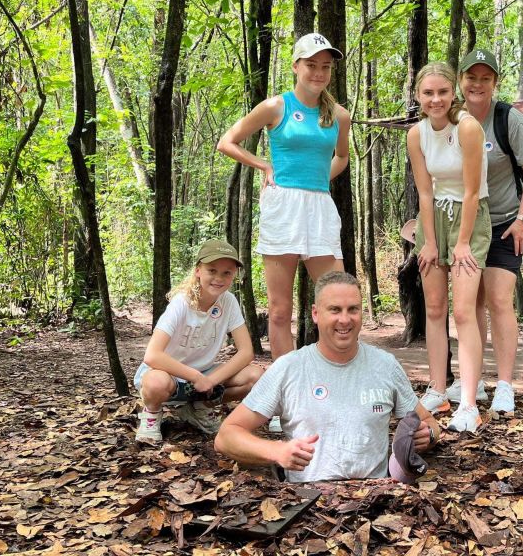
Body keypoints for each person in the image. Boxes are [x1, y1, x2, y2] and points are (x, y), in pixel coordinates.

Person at [214, 272, 440, 483]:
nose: (345, 319)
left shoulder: (385, 365)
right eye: (334, 310)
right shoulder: (290, 368)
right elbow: (226, 436)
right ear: (315, 313)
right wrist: (276, 451)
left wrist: (427, 435)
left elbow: (429, 422)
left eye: (353, 309)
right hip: (308, 501)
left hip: (375, 496)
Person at [217, 32, 350, 361]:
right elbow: (227, 142)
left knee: (339, 301)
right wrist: (264, 166)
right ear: (296, 66)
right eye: (311, 65)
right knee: (279, 310)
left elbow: (342, 158)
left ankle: (334, 378)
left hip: (319, 206)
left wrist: (317, 179)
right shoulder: (276, 106)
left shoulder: (339, 115)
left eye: (325, 67)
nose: (318, 73)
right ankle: (285, 391)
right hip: (283, 205)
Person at [447, 49, 523, 413]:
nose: (477, 84)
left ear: (494, 83)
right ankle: (474, 383)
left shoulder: (508, 120)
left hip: (504, 222)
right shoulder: (451, 118)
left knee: (500, 300)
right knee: (470, 305)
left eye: (485, 78)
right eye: (472, 77)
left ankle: (505, 384)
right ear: (461, 80)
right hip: (465, 225)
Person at [407, 62, 491, 433]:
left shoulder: (467, 128)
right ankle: (438, 388)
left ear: (452, 93)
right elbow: (425, 191)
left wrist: (460, 243)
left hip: (469, 220)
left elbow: (472, 191)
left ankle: (469, 402)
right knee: (435, 307)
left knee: (463, 311)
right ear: (418, 96)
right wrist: (427, 241)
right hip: (435, 218)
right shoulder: (417, 134)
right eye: (428, 93)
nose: (435, 99)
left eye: (442, 92)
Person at [134, 239, 264, 443]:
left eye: (227, 273)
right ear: (198, 271)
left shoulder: (228, 301)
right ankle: (151, 414)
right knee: (156, 383)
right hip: (169, 374)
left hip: (205, 375)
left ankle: (200, 408)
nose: (219, 278)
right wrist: (195, 376)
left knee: (256, 376)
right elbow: (152, 355)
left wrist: (210, 380)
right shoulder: (182, 303)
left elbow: (246, 352)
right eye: (212, 270)